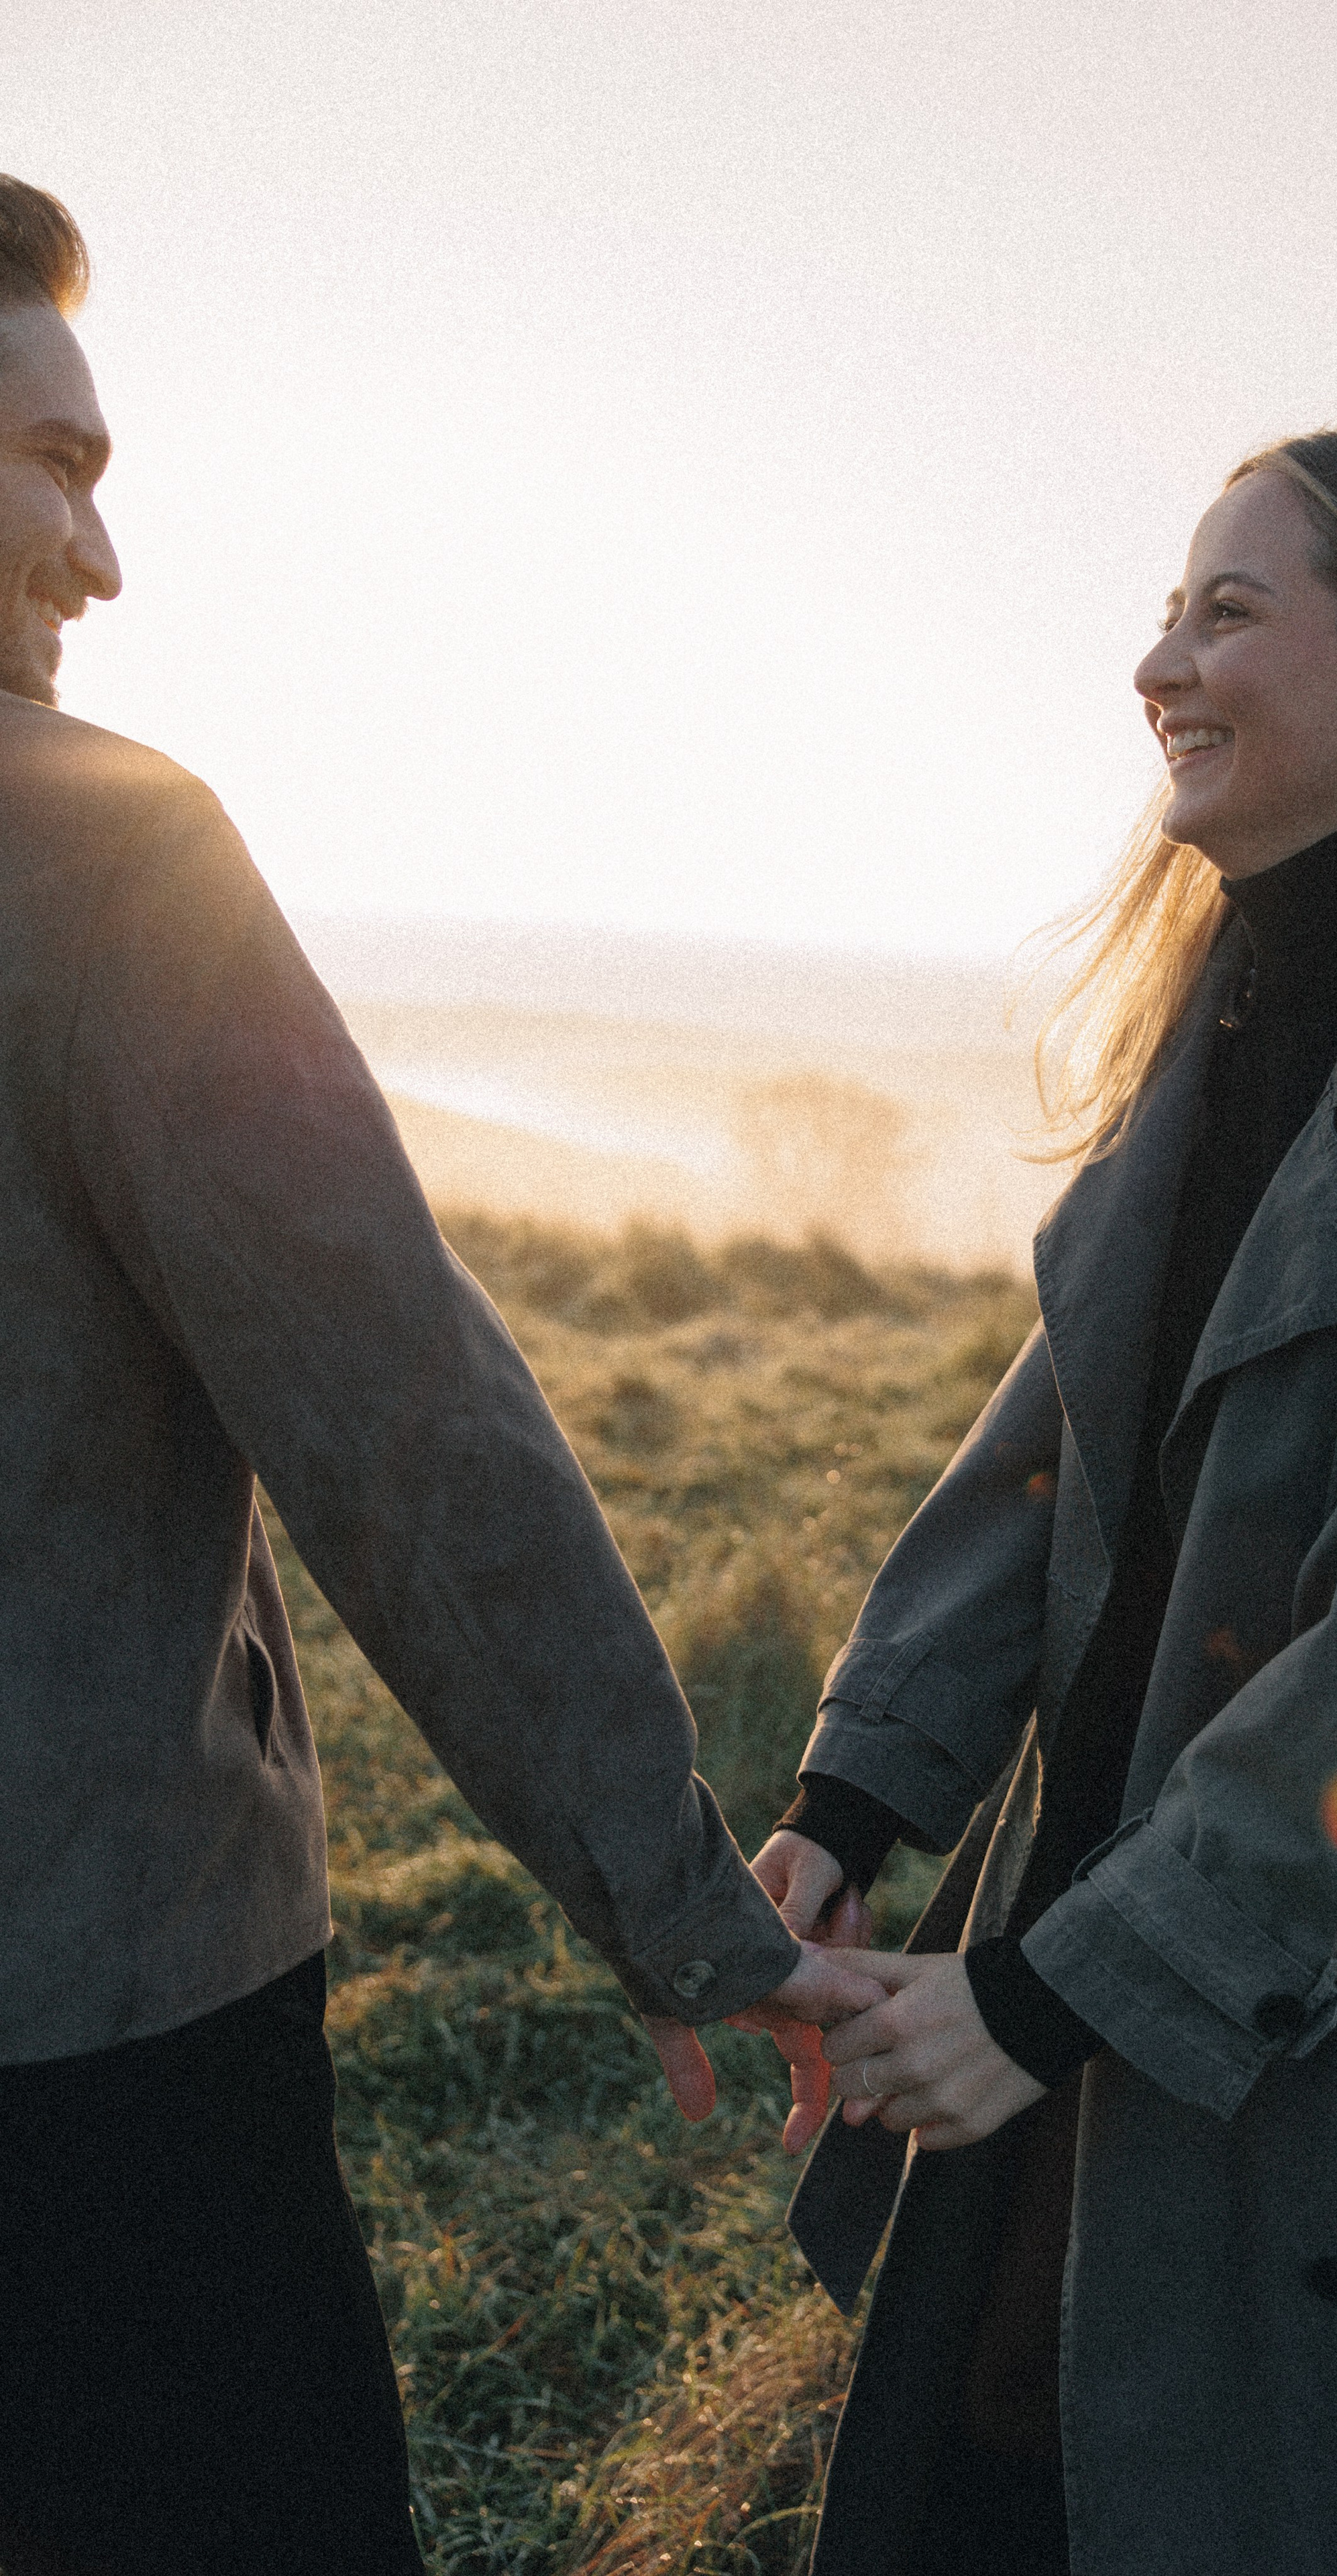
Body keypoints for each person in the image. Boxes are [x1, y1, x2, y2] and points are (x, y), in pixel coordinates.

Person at [0, 177, 878, 2576]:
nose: (99, 556)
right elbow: (405, 1427)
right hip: (90, 2061)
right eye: (53, 463)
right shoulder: (92, 856)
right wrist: (683, 1910)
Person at [753, 427, 1337, 2575]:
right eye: (1171, 606)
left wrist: (1053, 2000)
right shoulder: (1233, 996)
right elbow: (1051, 1450)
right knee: (996, 2485)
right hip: (1090, 1927)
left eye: (1227, 609)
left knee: (1250, 2497)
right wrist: (852, 1802)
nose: (1156, 662)